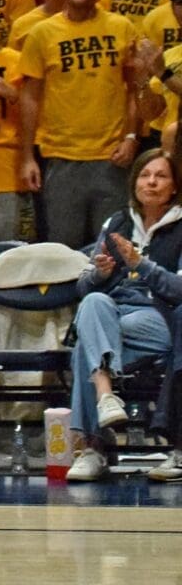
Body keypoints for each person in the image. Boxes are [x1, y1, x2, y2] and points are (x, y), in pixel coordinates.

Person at [65, 150, 182, 484]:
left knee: (85, 346)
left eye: (161, 176)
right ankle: (105, 397)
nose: (152, 182)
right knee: (95, 301)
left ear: (174, 186)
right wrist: (99, 274)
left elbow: (179, 289)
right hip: (114, 315)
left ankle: (94, 448)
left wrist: (140, 264)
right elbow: (82, 286)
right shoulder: (116, 223)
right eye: (145, 175)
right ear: (134, 183)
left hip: (161, 318)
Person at [18, 0, 147, 247]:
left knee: (113, 249)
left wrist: (131, 137)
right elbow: (30, 98)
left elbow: (134, 89)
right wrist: (27, 157)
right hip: (61, 159)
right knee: (64, 251)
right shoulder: (42, 33)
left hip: (111, 158)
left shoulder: (122, 27)